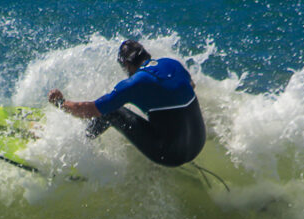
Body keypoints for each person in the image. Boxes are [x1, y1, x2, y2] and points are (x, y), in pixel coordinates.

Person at [47, 40, 206, 167]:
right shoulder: (172, 64)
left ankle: (75, 146)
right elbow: (191, 85)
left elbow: (91, 109)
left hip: (169, 156)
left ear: (128, 65)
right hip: (198, 144)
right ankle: (178, 140)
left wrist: (61, 102)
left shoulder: (133, 84)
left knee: (112, 112)